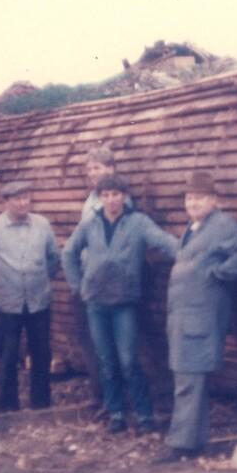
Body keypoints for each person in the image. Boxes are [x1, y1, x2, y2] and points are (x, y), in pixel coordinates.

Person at [62, 173, 177, 434]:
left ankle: (144, 415)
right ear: (100, 198)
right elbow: (68, 253)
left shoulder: (138, 223)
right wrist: (77, 286)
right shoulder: (90, 224)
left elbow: (163, 241)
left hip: (124, 302)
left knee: (128, 359)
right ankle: (116, 413)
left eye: (116, 195)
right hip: (95, 303)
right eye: (106, 195)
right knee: (106, 359)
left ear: (124, 197)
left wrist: (190, 254)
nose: (111, 200)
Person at [162, 171, 237, 461]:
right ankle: (192, 443)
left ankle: (181, 445)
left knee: (189, 382)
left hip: (199, 320)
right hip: (184, 319)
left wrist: (216, 274)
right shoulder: (194, 227)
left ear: (214, 200)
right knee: (189, 382)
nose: (193, 203)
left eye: (199, 198)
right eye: (189, 199)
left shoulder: (222, 225)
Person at [0, 179, 61, 412]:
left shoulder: (42, 225)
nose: (23, 203)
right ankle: (9, 404)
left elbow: (54, 258)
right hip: (6, 304)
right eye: (17, 199)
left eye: (26, 198)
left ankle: (41, 402)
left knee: (41, 352)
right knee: (7, 355)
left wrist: (40, 278)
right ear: (6, 202)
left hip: (38, 301)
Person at [72, 145, 131, 409]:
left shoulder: (118, 202)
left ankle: (111, 400)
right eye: (89, 169)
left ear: (111, 168)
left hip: (106, 285)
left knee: (110, 346)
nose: (92, 174)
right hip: (88, 279)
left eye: (97, 167)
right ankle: (101, 396)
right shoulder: (91, 199)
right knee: (90, 341)